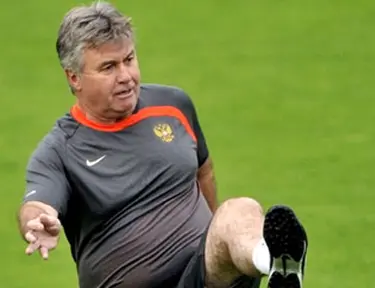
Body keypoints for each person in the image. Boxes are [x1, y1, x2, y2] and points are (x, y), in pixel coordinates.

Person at [17, 1, 308, 288]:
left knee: (239, 210)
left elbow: (203, 172)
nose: (126, 77)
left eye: (129, 60)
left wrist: (217, 241)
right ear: (74, 77)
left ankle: (275, 265)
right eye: (109, 67)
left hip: (201, 275)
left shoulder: (173, 105)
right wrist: (38, 222)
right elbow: (38, 204)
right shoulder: (60, 150)